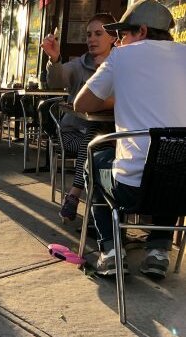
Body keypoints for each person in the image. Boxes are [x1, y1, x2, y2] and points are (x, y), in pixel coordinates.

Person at [74, 0, 186, 279]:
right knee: (172, 163)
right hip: (183, 190)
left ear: (143, 30)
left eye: (124, 33)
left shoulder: (122, 57)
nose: (120, 40)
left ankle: (111, 252)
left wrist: (121, 94)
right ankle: (158, 252)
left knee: (96, 160)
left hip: (130, 190)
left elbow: (81, 103)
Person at [41, 13, 117, 223]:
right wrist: (54, 59)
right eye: (88, 35)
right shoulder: (78, 65)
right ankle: (94, 211)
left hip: (110, 138)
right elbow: (56, 80)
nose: (92, 39)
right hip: (71, 135)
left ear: (113, 37)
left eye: (98, 33)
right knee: (94, 144)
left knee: (99, 146)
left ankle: (76, 195)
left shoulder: (122, 64)